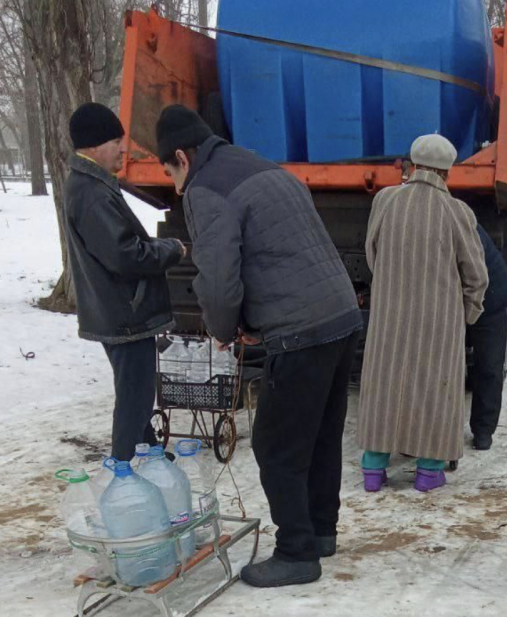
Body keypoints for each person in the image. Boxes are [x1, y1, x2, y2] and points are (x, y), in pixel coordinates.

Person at [156, 105, 363, 588]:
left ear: (183, 158)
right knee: (319, 435)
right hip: (340, 316)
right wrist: (253, 320)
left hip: (302, 327)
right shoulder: (262, 166)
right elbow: (279, 253)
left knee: (275, 444)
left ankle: (295, 552)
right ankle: (319, 532)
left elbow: (219, 280)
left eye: (169, 172)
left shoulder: (205, 190)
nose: (173, 185)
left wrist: (225, 329)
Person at [356, 134, 488, 493]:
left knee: (384, 383)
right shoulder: (458, 212)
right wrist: (466, 315)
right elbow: (476, 275)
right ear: (448, 172)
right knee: (435, 387)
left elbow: (373, 254)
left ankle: (373, 468)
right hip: (440, 321)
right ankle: (429, 471)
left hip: (389, 316)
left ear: (411, 165)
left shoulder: (384, 200)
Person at [64, 102, 185, 463]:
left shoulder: (93, 186)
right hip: (125, 315)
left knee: (138, 393)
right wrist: (170, 250)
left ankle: (148, 456)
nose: (123, 148)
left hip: (121, 312)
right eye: (117, 140)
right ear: (94, 145)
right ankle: (124, 473)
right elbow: (125, 256)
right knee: (134, 397)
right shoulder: (91, 193)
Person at [467, 224, 507, 451]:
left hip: (490, 298)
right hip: (462, 296)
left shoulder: (460, 225)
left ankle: (483, 429)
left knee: (489, 365)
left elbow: (476, 279)